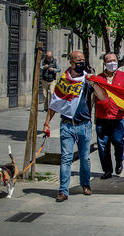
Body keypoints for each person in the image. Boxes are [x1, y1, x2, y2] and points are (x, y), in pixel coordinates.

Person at [43, 50, 107, 202]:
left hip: (84, 125)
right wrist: (47, 122)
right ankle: (63, 191)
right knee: (66, 158)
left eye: (83, 59)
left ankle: (85, 184)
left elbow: (103, 97)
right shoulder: (64, 80)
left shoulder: (87, 79)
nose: (81, 62)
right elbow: (55, 104)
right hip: (67, 125)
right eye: (78, 60)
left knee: (85, 158)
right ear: (71, 62)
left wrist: (94, 84)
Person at [94, 52, 124, 180]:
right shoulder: (98, 78)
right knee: (103, 144)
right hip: (102, 116)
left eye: (114, 60)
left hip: (118, 117)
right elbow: (92, 96)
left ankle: (119, 160)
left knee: (118, 141)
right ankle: (107, 170)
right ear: (104, 63)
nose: (112, 63)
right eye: (109, 60)